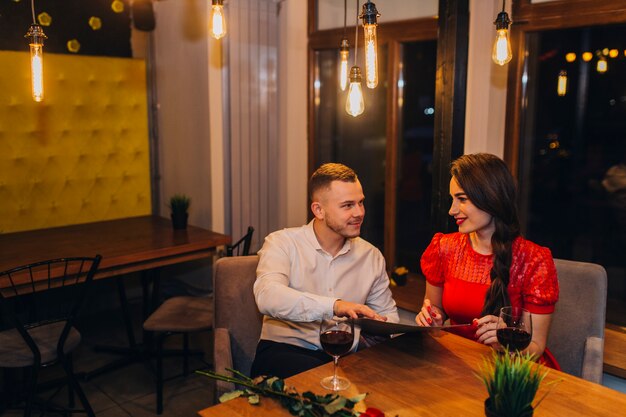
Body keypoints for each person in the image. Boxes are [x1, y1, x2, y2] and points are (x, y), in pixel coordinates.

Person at [251, 163, 399, 378]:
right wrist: (335, 306)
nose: (359, 212)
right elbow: (268, 296)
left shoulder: (371, 255)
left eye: (361, 203)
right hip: (285, 350)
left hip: (346, 354)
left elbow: (388, 316)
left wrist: (390, 328)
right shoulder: (282, 243)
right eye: (347, 205)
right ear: (318, 210)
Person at [415, 153, 560, 368]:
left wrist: (504, 341)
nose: (452, 210)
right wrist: (432, 319)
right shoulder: (444, 247)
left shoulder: (533, 260)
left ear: (491, 198)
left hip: (512, 370)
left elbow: (536, 347)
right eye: (452, 199)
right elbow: (434, 310)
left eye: (462, 199)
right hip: (458, 363)